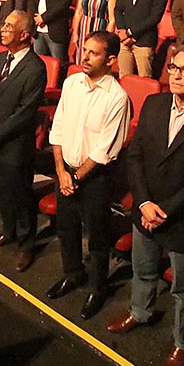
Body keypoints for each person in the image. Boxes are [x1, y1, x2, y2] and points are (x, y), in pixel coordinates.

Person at [106, 46, 184, 366]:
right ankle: (140, 312)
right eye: (174, 67)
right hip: (145, 208)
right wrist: (143, 202)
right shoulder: (154, 103)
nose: (176, 73)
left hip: (183, 218)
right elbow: (136, 158)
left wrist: (165, 210)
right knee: (143, 269)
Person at [48, 31, 132, 320]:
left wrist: (76, 177)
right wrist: (61, 171)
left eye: (93, 53)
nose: (84, 56)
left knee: (97, 237)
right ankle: (72, 273)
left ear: (110, 60)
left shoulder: (118, 97)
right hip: (65, 174)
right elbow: (57, 128)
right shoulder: (71, 83)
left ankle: (98, 287)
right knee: (66, 229)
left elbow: (104, 150)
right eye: (85, 50)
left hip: (94, 179)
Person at [0, 11, 46, 272]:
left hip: (14, 145)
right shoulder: (0, 58)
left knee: (20, 196)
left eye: (8, 26)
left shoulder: (35, 68)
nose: (2, 29)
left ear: (24, 35)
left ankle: (26, 245)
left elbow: (25, 112)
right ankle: (8, 232)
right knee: (2, 192)